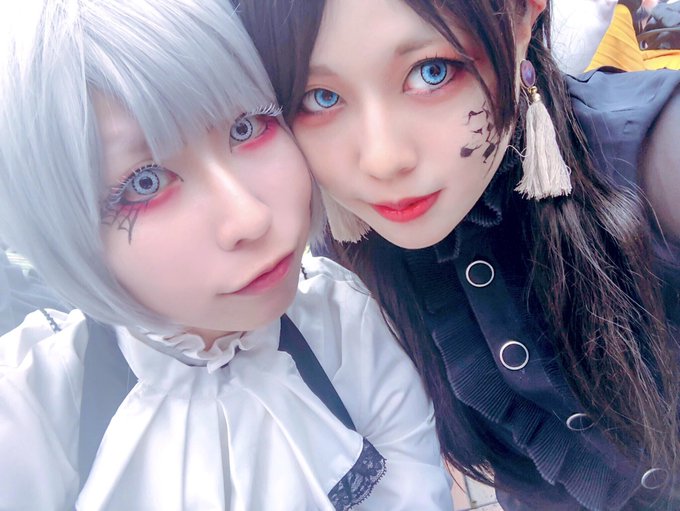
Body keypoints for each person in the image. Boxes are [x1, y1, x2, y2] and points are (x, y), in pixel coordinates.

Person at [0, 1, 453, 509]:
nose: (250, 218)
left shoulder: (346, 323)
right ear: (56, 227)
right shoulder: (32, 409)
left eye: (247, 127)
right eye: (145, 182)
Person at [236, 0, 680, 509]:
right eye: (320, 97)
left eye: (432, 71)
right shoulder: (340, 260)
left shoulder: (654, 160)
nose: (383, 159)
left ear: (523, 16)